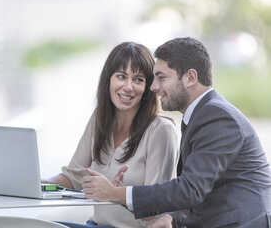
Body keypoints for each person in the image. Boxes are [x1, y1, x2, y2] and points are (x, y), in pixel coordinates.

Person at [82, 37, 271, 228]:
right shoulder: (201, 115)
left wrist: (114, 194)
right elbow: (200, 189)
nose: (153, 86)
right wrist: (172, 217)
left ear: (190, 78)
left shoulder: (218, 117)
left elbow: (190, 189)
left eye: (161, 77)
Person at [42, 41, 179, 228]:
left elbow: (156, 209)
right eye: (121, 76)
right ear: (109, 79)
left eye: (138, 79)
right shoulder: (100, 118)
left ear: (148, 88)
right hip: (96, 224)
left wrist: (117, 194)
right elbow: (74, 178)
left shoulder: (161, 130)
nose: (128, 86)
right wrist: (37, 182)